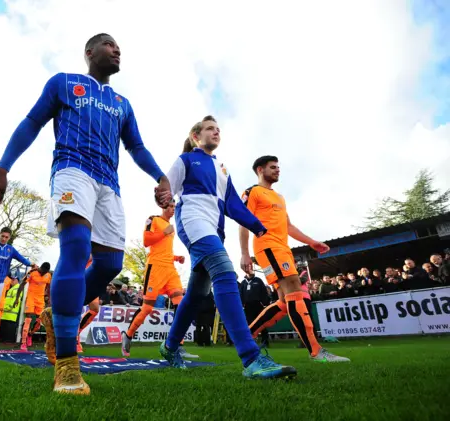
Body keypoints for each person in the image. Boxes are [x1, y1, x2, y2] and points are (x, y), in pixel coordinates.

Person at [0, 33, 171, 395]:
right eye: (109, 45)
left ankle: (58, 317)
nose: (117, 50)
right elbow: (31, 123)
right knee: (75, 250)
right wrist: (3, 168)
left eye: (119, 47)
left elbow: (136, 146)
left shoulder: (122, 103)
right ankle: (67, 367)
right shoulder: (64, 83)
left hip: (109, 184)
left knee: (110, 264)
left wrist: (160, 176)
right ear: (89, 52)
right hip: (72, 171)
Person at [159, 116, 296, 380]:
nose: (216, 132)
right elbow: (167, 189)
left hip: (214, 230)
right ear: (195, 136)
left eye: (218, 129)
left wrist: (257, 226)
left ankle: (169, 346)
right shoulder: (185, 160)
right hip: (193, 222)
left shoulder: (222, 169)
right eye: (210, 128)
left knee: (197, 294)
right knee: (224, 271)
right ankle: (251, 357)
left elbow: (232, 204)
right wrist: (162, 195)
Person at [240, 155, 349, 363]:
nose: (277, 170)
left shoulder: (279, 197)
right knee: (296, 292)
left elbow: (288, 226)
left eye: (278, 167)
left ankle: (244, 337)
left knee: (284, 301)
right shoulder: (252, 191)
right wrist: (245, 252)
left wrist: (311, 242)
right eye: (273, 167)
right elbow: (244, 222)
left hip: (282, 248)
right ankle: (316, 351)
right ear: (260, 170)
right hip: (268, 247)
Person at [121, 200, 197, 358]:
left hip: (170, 268)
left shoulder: (172, 228)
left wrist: (176, 257)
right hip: (154, 269)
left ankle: (177, 345)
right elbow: (146, 241)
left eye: (174, 207)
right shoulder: (153, 219)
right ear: (163, 207)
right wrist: (164, 232)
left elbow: (164, 249)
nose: (172, 210)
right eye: (170, 207)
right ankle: (128, 335)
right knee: (147, 308)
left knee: (181, 304)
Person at [20, 263, 52, 351]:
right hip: (31, 298)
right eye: (42, 271)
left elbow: (49, 286)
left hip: (40, 300)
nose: (42, 273)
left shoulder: (48, 275)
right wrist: (17, 297)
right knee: (28, 319)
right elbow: (23, 283)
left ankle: (30, 334)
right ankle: (23, 343)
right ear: (40, 268)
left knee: (39, 321)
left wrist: (49, 297)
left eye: (44, 272)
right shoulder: (32, 272)